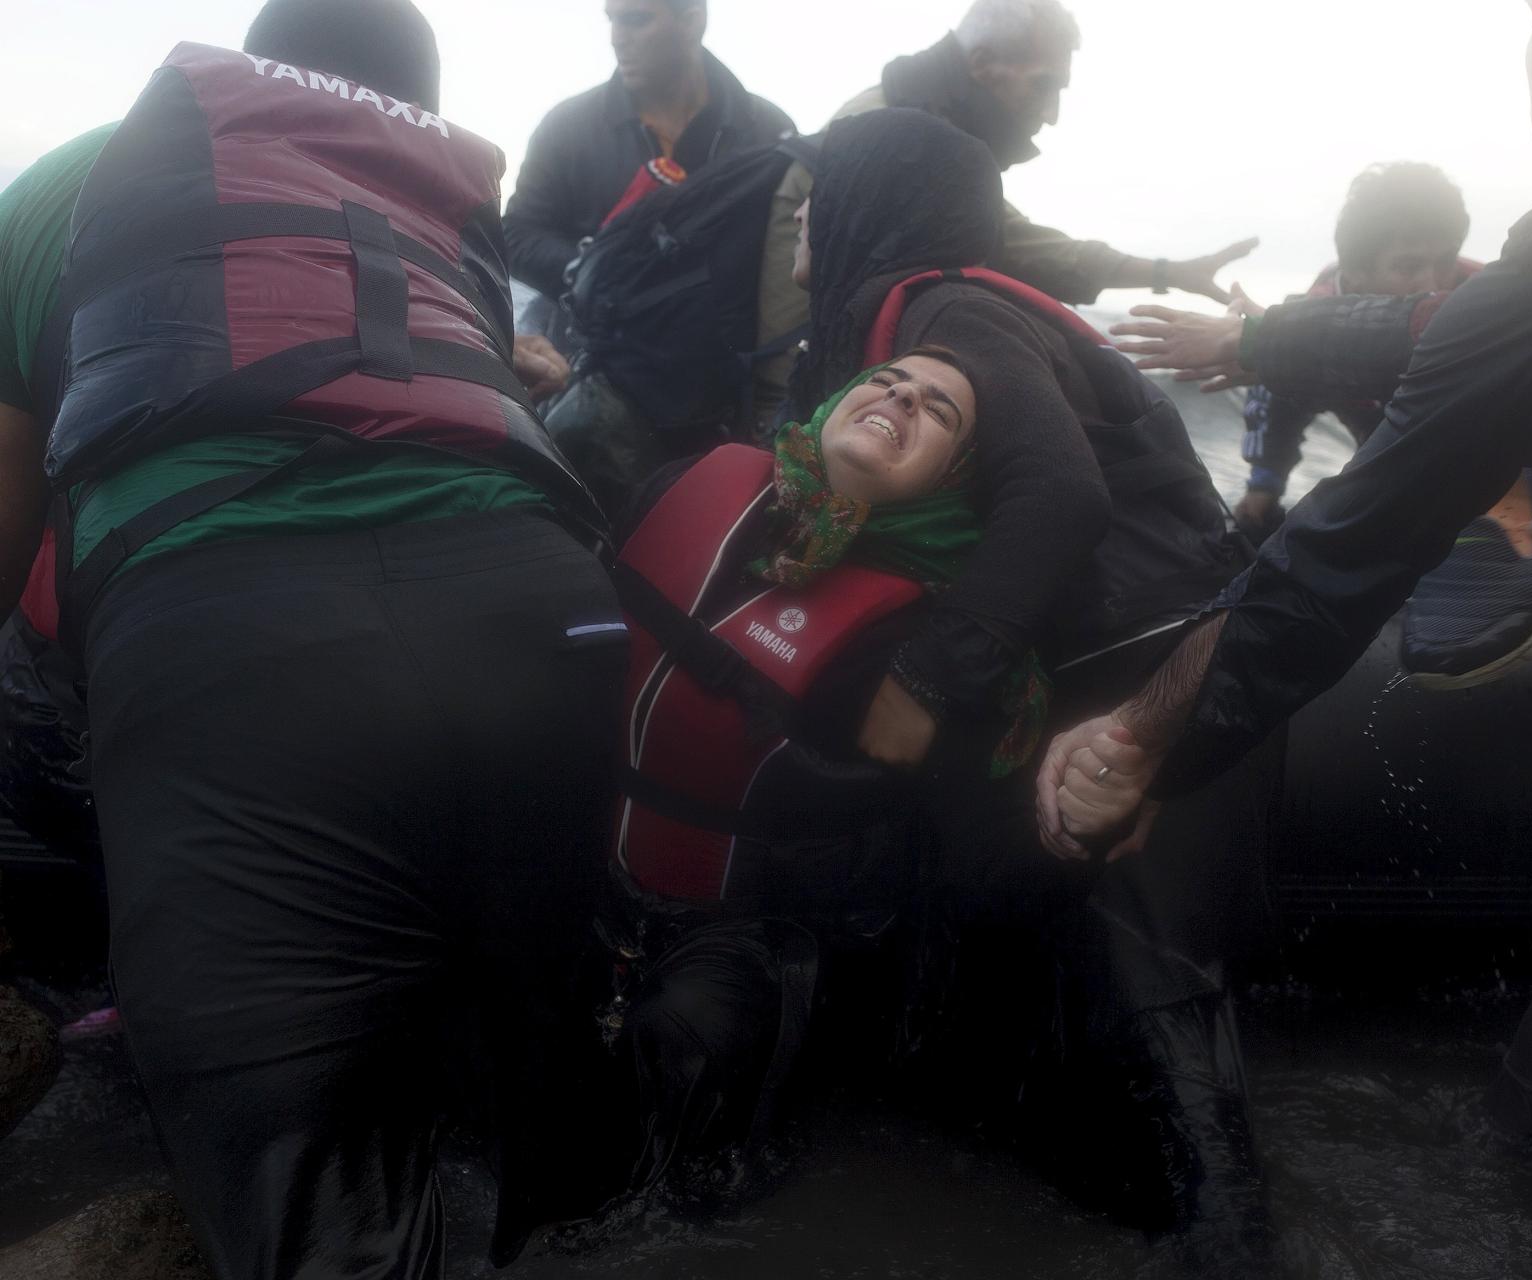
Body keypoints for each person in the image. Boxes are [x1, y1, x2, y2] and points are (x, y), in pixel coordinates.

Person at [1038, 0, 1532, 1271]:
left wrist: (1140, 738)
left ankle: (1513, 1160)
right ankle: (1527, 1157)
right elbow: (1328, 414)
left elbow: (1334, 556)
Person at [1, 2, 626, 1274]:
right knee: (540, 1066)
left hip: (241, 641)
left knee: (311, 1193)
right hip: (542, 616)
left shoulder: (77, 174)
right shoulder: (436, 199)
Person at [603, 344, 1275, 1264]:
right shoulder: (689, 487)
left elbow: (980, 868)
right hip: (600, 866)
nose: (900, 398)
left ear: (955, 478)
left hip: (761, 928)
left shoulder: (932, 645)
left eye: (940, 412)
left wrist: (1090, 813)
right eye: (885, 381)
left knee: (686, 1040)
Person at [748, 0, 1259, 429]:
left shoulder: (923, 133)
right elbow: (1021, 245)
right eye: (1043, 85)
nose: (1053, 112)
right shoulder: (896, 141)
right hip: (784, 393)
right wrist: (1168, 273)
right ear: (982, 63)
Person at [1234, 162, 1478, 540]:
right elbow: (1277, 399)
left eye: (1445, 262)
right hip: (1387, 459)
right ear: (1355, 271)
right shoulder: (1308, 321)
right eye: (1408, 266)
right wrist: (1264, 483)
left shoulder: (1485, 296)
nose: (1433, 284)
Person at [503, 0, 794, 299]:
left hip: (729, 340)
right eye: (612, 20)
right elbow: (516, 235)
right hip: (595, 341)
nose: (616, 38)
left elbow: (792, 249)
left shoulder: (769, 130)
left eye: (636, 20)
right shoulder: (567, 127)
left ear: (693, 22)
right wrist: (590, 267)